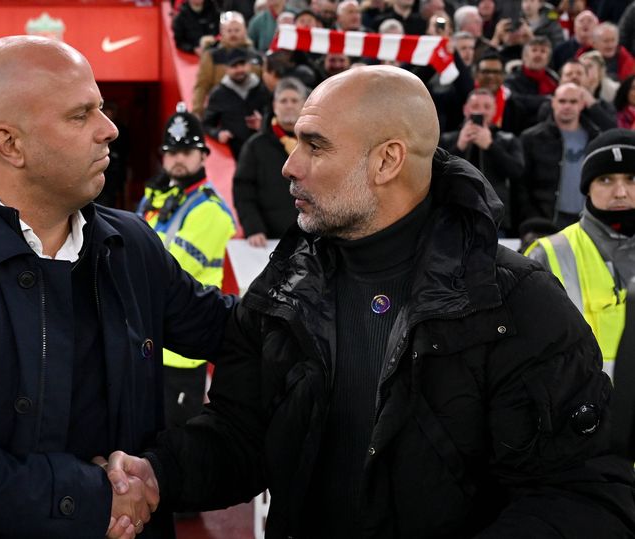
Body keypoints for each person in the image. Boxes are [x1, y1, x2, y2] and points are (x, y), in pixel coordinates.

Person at [105, 65, 635, 538]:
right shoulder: (285, 284)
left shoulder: (516, 303)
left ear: (387, 161)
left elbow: (582, 496)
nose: (289, 166)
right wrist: (160, 474)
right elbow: (242, 433)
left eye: (315, 145)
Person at [0, 35, 234, 539]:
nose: (109, 129)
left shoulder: (132, 243)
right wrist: (94, 498)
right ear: (11, 145)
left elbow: (233, 332)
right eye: (81, 115)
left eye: (101, 108)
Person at [137, 103, 235, 430]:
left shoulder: (211, 210)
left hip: (182, 351)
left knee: (175, 447)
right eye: (171, 151)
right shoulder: (155, 199)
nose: (178, 158)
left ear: (204, 155)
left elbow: (159, 268)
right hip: (150, 344)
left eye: (187, 151)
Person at [526, 128, 635, 380]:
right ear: (587, 187)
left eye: (631, 178)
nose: (620, 192)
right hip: (580, 410)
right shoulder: (549, 253)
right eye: (606, 180)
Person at [438, 88, 524, 236]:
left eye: (487, 107)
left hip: (494, 217)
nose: (481, 112)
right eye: (475, 106)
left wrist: (490, 146)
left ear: (495, 110)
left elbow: (517, 171)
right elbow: (436, 173)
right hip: (455, 215)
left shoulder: (507, 139)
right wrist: (459, 147)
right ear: (465, 109)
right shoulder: (448, 139)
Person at [233, 77, 307, 246]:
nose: (289, 105)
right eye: (283, 101)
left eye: (294, 100)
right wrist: (253, 227)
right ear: (274, 106)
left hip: (314, 239)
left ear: (304, 105)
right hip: (270, 241)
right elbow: (243, 190)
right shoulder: (255, 146)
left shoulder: (318, 146)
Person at [520, 82, 601, 227]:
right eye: (562, 101)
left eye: (573, 101)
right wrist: (531, 217)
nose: (567, 106)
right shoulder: (531, 138)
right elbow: (522, 184)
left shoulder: (595, 138)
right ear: (553, 103)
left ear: (582, 104)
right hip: (546, 219)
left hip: (587, 219)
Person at [202, 47, 270, 158]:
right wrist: (218, 134)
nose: (239, 69)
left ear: (249, 65)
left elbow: (273, 117)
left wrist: (263, 124)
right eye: (234, 66)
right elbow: (206, 124)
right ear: (226, 69)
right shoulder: (218, 94)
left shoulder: (263, 89)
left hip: (262, 151)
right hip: (234, 154)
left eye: (242, 64)